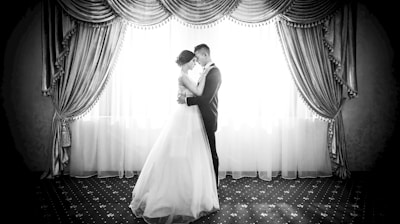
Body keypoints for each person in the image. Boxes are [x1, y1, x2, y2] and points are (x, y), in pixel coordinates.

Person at [129, 50, 219, 224]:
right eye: (193, 61)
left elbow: (192, 94)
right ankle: (179, 192)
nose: (195, 64)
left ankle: (189, 190)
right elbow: (200, 93)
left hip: (190, 114)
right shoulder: (184, 76)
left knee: (190, 155)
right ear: (186, 62)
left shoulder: (184, 75)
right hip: (187, 117)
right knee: (184, 154)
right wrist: (206, 73)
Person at [178, 44, 221, 189]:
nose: (196, 61)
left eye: (197, 57)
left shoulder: (214, 72)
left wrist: (187, 100)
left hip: (208, 118)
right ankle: (203, 184)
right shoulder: (206, 72)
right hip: (198, 118)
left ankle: (214, 185)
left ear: (205, 55)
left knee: (211, 153)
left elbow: (206, 98)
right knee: (201, 153)